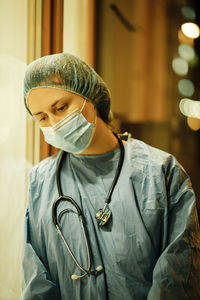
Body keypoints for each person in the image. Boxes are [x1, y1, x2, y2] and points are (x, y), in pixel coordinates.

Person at [21, 53, 200, 300]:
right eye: (42, 117)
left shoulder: (160, 172)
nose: (54, 123)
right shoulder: (41, 181)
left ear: (91, 96)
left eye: (61, 107)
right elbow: (37, 281)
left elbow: (176, 278)